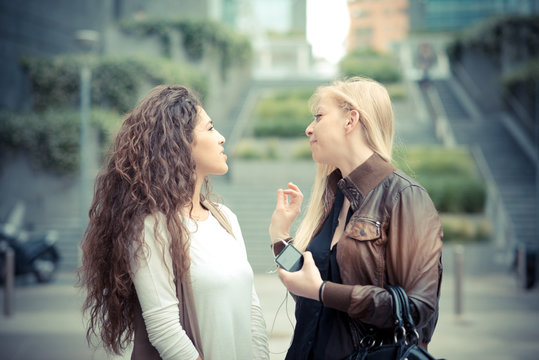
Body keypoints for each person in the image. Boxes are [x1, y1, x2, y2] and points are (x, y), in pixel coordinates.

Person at [78, 85, 269, 360]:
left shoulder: (226, 218)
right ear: (179, 142)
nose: (221, 137)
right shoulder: (152, 226)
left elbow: (252, 310)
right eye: (211, 128)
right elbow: (163, 327)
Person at [269, 77, 443, 360]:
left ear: (351, 120)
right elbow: (310, 294)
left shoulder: (405, 197)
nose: (308, 128)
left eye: (319, 116)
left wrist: (325, 291)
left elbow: (418, 309)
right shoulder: (336, 197)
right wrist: (280, 238)